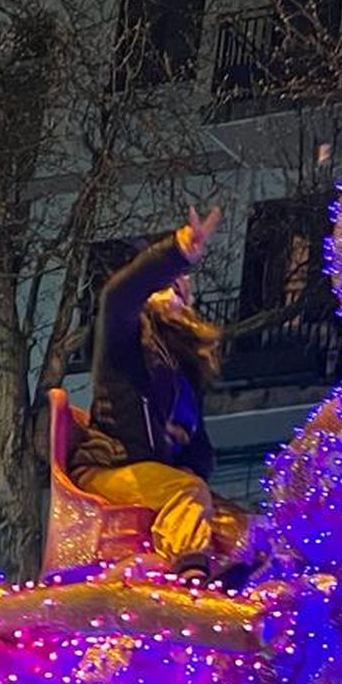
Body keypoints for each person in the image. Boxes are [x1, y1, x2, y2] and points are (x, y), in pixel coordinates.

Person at [70, 206, 256, 582]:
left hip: (159, 475)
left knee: (237, 523)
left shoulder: (183, 364)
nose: (177, 291)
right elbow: (118, 296)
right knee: (185, 491)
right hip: (112, 467)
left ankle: (239, 587)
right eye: (167, 285)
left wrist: (191, 462)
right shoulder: (126, 338)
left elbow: (198, 444)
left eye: (181, 288)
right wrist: (177, 251)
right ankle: (190, 576)